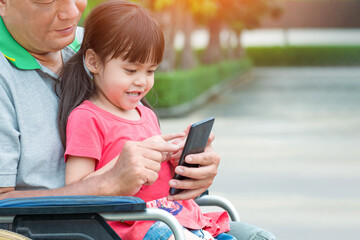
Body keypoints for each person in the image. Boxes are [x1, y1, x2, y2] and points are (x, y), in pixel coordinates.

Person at [0, 0, 276, 240]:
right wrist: (107, 184)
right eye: (47, 0)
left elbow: (130, 135)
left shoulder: (94, 42)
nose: (72, 13)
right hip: (77, 228)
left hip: (156, 215)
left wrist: (187, 169)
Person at [57, 1, 236, 239]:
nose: (142, 81)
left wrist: (176, 161)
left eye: (150, 71)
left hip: (175, 219)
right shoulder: (87, 118)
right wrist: (121, 166)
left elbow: (157, 184)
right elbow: (77, 188)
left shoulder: (146, 114)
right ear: (94, 62)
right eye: (131, 70)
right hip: (136, 226)